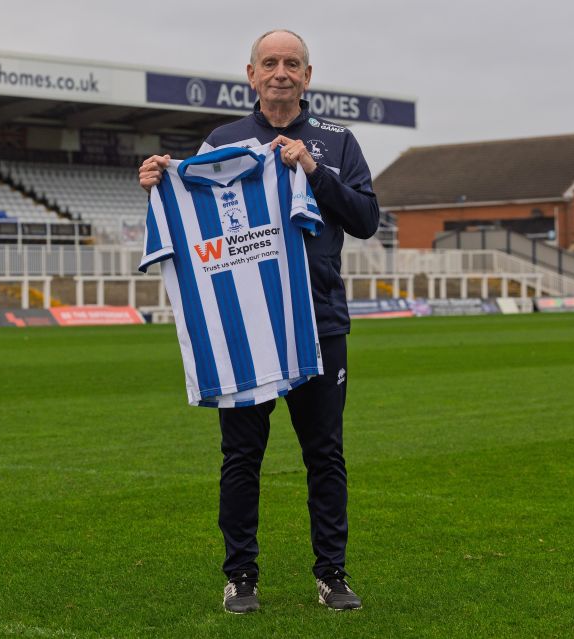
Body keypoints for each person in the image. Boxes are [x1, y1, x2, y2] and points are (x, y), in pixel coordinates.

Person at [138, 28, 379, 613]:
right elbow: (200, 216)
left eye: (291, 64)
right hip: (244, 328)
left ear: (307, 75)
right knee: (242, 456)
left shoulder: (336, 140)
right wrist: (157, 185)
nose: (280, 73)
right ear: (251, 75)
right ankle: (240, 576)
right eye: (269, 63)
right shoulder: (223, 139)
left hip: (319, 322)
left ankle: (333, 574)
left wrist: (315, 172)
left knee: (324, 453)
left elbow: (367, 218)